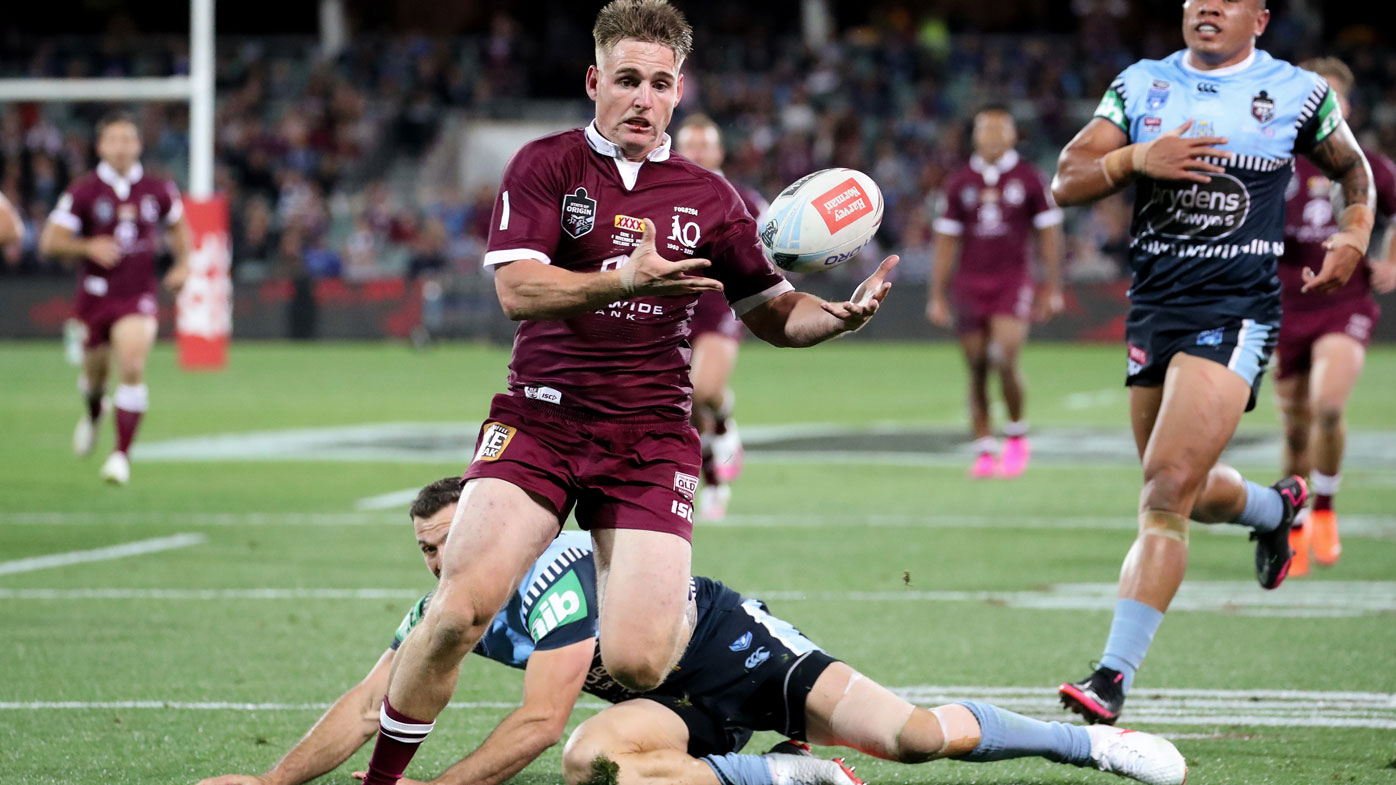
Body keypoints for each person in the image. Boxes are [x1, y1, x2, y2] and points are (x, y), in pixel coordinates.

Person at [356, 3, 901, 784]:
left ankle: (761, 718)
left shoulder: (713, 199)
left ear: (679, 92)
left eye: (659, 83)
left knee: (640, 660)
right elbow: (517, 289)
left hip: (648, 435)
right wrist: (621, 277)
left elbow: (772, 312)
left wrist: (836, 319)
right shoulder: (544, 165)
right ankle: (383, 780)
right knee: (459, 610)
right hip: (541, 416)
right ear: (594, 82)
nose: (642, 98)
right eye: (627, 80)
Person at [195, 478, 1188, 785]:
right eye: (423, 548)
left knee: (915, 740)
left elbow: (536, 718)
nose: (436, 564)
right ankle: (787, 777)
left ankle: (1090, 740)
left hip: (741, 652)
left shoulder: (551, 579)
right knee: (599, 765)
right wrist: (276, 783)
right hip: (670, 711)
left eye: (450, 541)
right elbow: (375, 701)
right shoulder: (445, 609)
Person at [1049, 0, 1375, 725]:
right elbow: (1065, 180)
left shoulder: (1298, 92)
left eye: (1225, 1)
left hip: (1235, 313)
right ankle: (1274, 506)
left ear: (1258, 18)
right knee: (1182, 488)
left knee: (1164, 490)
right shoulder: (1141, 86)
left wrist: (1354, 235)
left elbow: (1354, 172)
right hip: (1154, 308)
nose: (1207, 9)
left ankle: (1110, 676)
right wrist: (1136, 158)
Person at [1274, 57, 1396, 576]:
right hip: (1283, 304)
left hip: (1344, 302)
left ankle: (1324, 508)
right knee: (1296, 428)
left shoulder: (1368, 165)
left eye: (1332, 96)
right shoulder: (1273, 163)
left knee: (1328, 406)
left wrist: (1390, 259)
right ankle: (1293, 523)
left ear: (1345, 106)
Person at [39, 110, 191, 486]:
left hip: (137, 295)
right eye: (114, 140)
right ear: (100, 146)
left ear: (139, 144)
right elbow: (50, 242)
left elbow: (179, 227)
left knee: (133, 365)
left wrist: (183, 263)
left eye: (128, 139)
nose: (122, 147)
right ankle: (93, 413)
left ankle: (121, 455)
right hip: (93, 298)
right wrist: (88, 246)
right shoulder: (83, 191)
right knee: (94, 377)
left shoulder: (158, 189)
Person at [928, 105, 1065, 478]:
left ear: (1011, 135)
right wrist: (937, 295)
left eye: (998, 131)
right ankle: (985, 448)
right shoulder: (959, 182)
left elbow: (1049, 233)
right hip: (970, 285)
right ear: (974, 137)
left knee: (1005, 356)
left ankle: (1017, 435)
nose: (990, 138)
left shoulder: (1029, 178)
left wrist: (1051, 285)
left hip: (1012, 281)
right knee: (976, 368)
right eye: (983, 131)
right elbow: (945, 242)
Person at [673, 113, 768, 519]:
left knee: (703, 391)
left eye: (704, 144)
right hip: (675, 301)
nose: (696, 151)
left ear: (718, 150)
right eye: (689, 144)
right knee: (684, 402)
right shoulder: (659, 191)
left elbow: (769, 251)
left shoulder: (743, 198)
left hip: (722, 302)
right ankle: (714, 479)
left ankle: (725, 420)